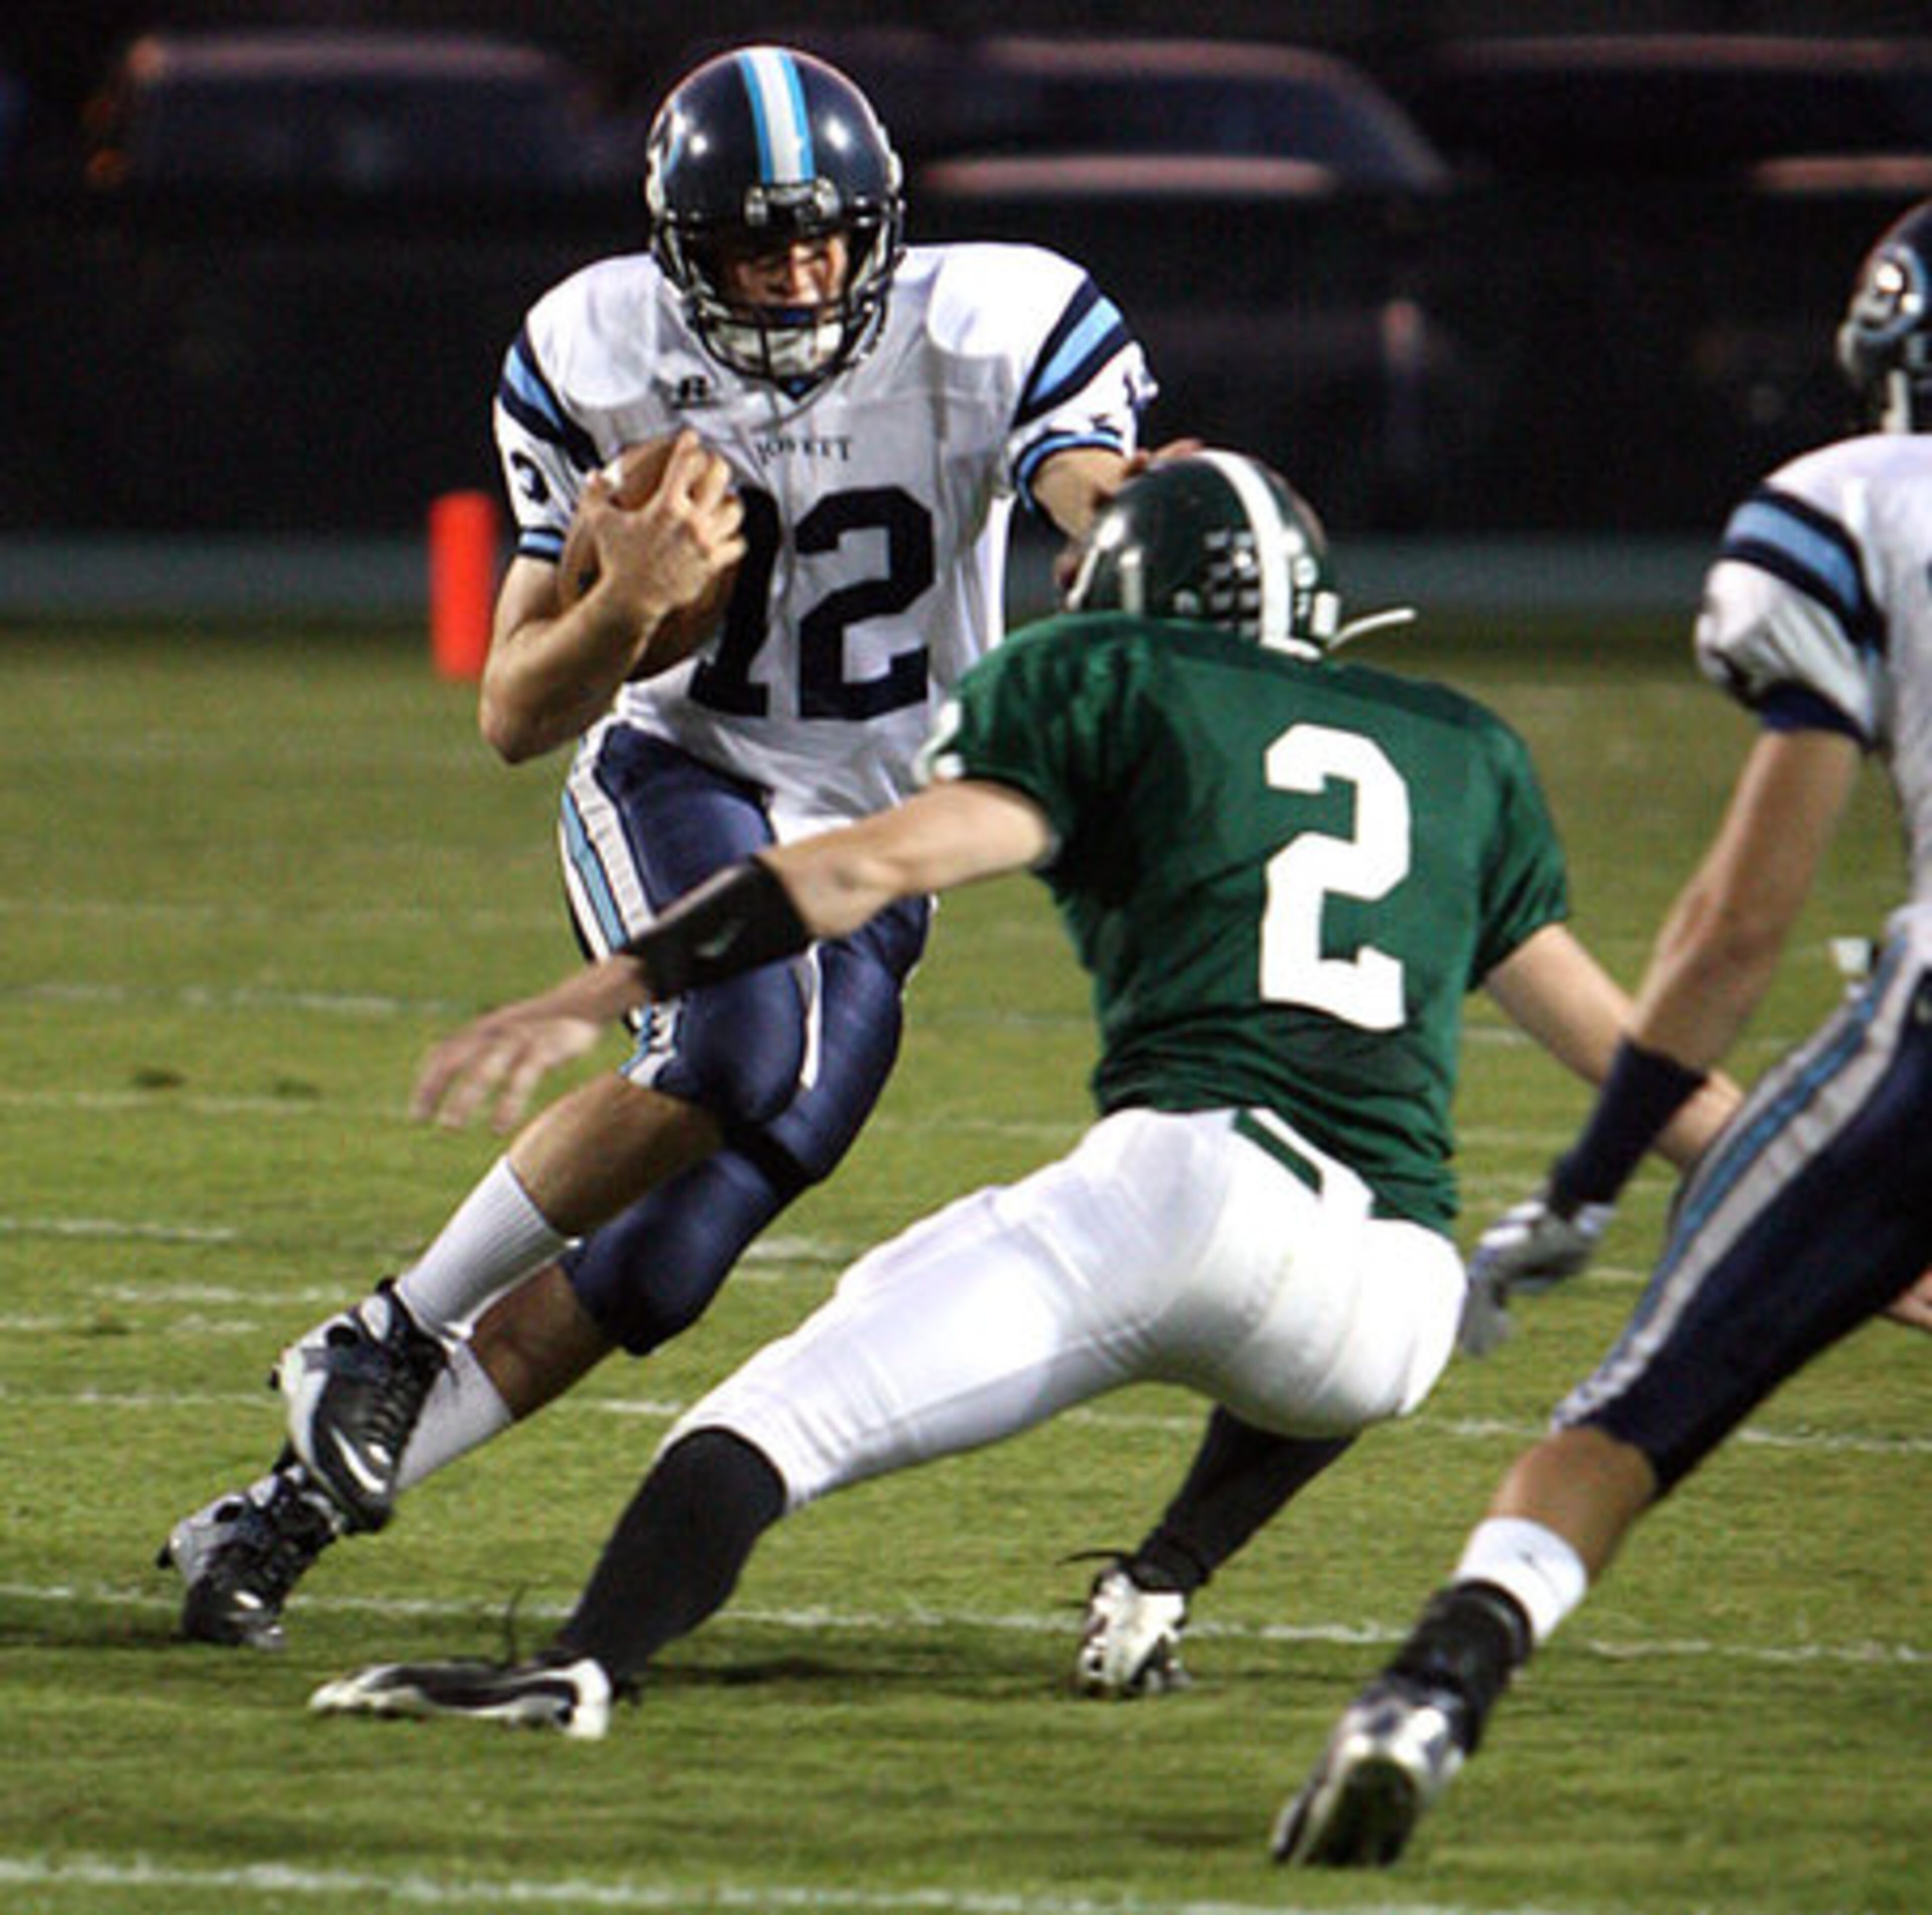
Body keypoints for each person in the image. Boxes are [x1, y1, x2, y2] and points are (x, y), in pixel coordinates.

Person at [300, 449, 1738, 1738]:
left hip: (1183, 1197)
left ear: (1123, 596)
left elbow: (866, 869)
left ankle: (582, 1666)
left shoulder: (1109, 678)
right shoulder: (1462, 751)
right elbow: (1633, 1055)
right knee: (1339, 1285)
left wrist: (601, 988)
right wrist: (1840, 1208)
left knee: (769, 1421)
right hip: (1395, 1309)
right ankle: (1162, 1582)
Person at [155, 43, 1157, 1648]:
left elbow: (1090, 490)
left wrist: (1130, 528)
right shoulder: (594, 346)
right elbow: (514, 712)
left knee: (665, 1265)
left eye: (827, 238)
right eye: (759, 249)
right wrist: (627, 598)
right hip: (682, 768)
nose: (800, 277)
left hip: (885, 838)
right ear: (683, 255)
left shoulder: (998, 316)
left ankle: (273, 1520)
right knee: (735, 1036)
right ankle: (387, 1328)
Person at [1274, 199, 1932, 1871]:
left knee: (1621, 1425)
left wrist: (1588, 1178)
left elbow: (1738, 923)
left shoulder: (1855, 506)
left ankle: (1431, 1691)